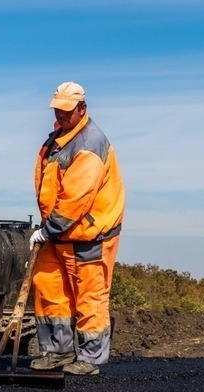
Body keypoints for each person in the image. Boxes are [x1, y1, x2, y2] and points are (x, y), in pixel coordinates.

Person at [29, 81, 125, 376]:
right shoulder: (57, 140)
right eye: (57, 111)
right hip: (59, 232)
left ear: (82, 109)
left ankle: (90, 358)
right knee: (47, 286)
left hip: (88, 235)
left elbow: (76, 199)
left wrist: (49, 228)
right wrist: (51, 228)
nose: (60, 116)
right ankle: (58, 351)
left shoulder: (89, 144)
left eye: (66, 112)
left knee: (90, 296)